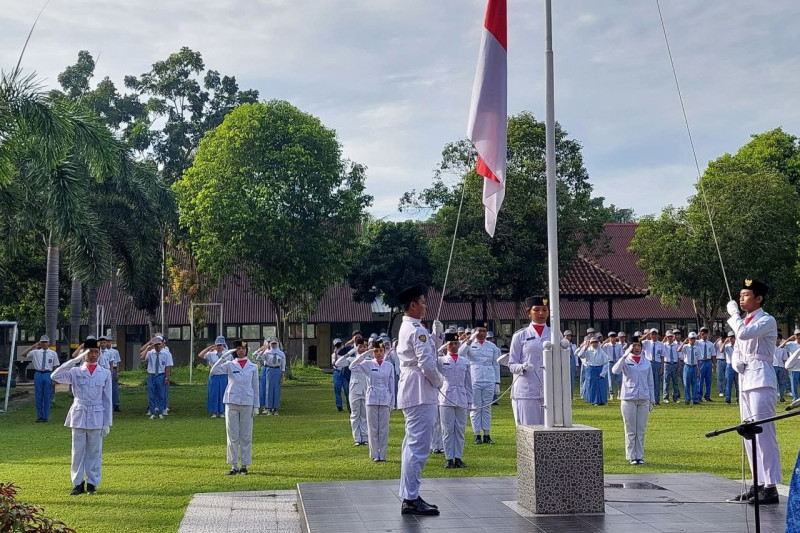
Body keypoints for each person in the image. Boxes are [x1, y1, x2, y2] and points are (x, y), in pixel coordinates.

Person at [726, 278, 781, 505]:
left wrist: (733, 316)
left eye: (746, 295)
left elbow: (745, 334)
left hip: (761, 379)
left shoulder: (766, 320)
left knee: (764, 434)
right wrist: (735, 362)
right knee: (748, 434)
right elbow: (738, 348)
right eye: (740, 295)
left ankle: (771, 486)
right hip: (746, 379)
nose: (741, 299)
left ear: (759, 299)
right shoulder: (744, 321)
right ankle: (757, 482)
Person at [395, 284, 443, 516]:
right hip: (420, 390)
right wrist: (439, 382)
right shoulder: (416, 330)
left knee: (411, 445)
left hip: (413, 388)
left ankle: (409, 494)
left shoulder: (411, 327)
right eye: (422, 302)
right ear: (412, 305)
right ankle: (411, 498)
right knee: (418, 447)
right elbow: (426, 364)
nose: (425, 305)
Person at [51, 337, 112, 495]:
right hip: (79, 413)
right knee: (77, 451)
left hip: (97, 414)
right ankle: (78, 483)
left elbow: (107, 399)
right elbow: (55, 376)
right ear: (84, 353)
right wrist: (75, 360)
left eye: (96, 352)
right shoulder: (76, 371)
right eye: (90, 351)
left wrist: (107, 422)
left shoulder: (104, 373)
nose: (93, 355)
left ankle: (92, 483)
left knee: (94, 451)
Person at [210, 340, 259, 475]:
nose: (241, 351)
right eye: (238, 348)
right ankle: (233, 465)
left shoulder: (253, 366)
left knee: (246, 435)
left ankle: (244, 465)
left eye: (243, 348)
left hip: (247, 402)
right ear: (234, 351)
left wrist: (256, 405)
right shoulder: (230, 364)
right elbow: (214, 371)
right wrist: (224, 357)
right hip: (231, 402)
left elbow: (255, 386)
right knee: (232, 435)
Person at [350, 340, 395, 462]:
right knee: (373, 428)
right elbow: (352, 366)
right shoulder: (368, 364)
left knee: (384, 429)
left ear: (384, 351)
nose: (379, 353)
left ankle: (383, 454)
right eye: (376, 351)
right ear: (372, 352)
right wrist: (365, 354)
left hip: (385, 398)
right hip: (372, 399)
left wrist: (392, 402)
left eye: (381, 351)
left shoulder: (389, 366)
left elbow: (392, 385)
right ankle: (375, 454)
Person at [611, 335, 654, 465]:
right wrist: (624, 355)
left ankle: (639, 456)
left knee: (641, 429)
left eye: (639, 346)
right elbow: (615, 371)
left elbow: (650, 382)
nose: (636, 348)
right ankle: (631, 456)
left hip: (643, 399)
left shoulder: (646, 362)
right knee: (630, 429)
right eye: (634, 346)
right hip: (628, 398)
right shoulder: (626, 360)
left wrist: (652, 400)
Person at [508, 296, 550, 424]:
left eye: (544, 309)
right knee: (529, 430)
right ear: (528, 313)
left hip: (549, 390)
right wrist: (522, 367)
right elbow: (511, 364)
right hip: (527, 390)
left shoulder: (555, 334)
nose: (541, 313)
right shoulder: (520, 335)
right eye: (536, 310)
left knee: (549, 432)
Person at [433, 332, 471, 468]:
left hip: (461, 396)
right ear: (446, 345)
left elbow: (468, 383)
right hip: (446, 397)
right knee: (447, 429)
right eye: (451, 344)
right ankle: (449, 458)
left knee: (460, 429)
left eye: (456, 343)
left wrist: (470, 401)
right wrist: (442, 347)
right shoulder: (441, 360)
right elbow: (431, 359)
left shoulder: (465, 361)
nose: (454, 346)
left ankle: (458, 457)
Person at [461, 324, 500, 445]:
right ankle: (477, 434)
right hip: (474, 378)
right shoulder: (469, 345)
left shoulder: (492, 346)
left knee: (487, 407)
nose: (482, 333)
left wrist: (497, 382)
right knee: (476, 407)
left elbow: (496, 364)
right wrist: (470, 339)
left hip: (489, 378)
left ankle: (487, 434)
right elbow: (461, 354)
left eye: (484, 331)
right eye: (479, 331)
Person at [335, 338, 370, 445]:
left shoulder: (369, 360)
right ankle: (357, 439)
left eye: (364, 346)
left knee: (364, 415)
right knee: (355, 414)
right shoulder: (352, 360)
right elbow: (338, 363)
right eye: (360, 346)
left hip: (366, 388)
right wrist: (352, 351)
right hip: (354, 389)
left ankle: (365, 438)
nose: (362, 349)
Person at [20, 335, 60, 422]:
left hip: (48, 374)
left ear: (49, 343)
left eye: (46, 342)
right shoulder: (35, 352)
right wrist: (33, 346)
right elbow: (23, 354)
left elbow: (56, 367)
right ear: (40, 343)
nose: (44, 344)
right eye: (42, 342)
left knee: (47, 396)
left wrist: (54, 379)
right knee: (38, 396)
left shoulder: (53, 353)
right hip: (38, 374)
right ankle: (39, 416)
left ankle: (45, 417)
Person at [139, 336, 172, 419]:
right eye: (156, 345)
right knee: (151, 394)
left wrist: (166, 377)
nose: (157, 346)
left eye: (159, 344)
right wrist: (148, 348)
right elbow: (142, 357)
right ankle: (152, 412)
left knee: (161, 394)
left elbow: (168, 366)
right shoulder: (150, 353)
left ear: (161, 345)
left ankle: (161, 411)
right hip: (152, 375)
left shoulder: (166, 353)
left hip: (161, 375)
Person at [198, 336, 228, 418]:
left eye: (221, 345)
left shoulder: (227, 354)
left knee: (222, 393)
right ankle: (214, 412)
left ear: (223, 345)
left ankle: (222, 411)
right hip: (214, 376)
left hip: (223, 376)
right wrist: (209, 348)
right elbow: (200, 355)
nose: (219, 347)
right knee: (213, 394)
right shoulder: (211, 354)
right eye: (218, 345)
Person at [256, 338, 286, 415]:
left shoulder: (281, 354)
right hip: (269, 370)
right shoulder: (267, 353)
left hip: (277, 370)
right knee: (268, 389)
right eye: (272, 344)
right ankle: (269, 408)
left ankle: (275, 408)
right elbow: (258, 358)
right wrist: (262, 351)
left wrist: (282, 375)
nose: (273, 345)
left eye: (275, 344)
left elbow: (283, 365)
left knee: (276, 389)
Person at [577, 336, 608, 406]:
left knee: (601, 385)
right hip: (591, 369)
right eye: (593, 343)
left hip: (600, 369)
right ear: (590, 343)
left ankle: (603, 400)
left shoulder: (601, 351)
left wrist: (603, 373)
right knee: (592, 385)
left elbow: (606, 362)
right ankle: (595, 401)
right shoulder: (588, 350)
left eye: (596, 342)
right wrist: (584, 347)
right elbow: (580, 355)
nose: (595, 344)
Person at [642, 329, 664, 406]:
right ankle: (648, 399)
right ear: (650, 335)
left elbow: (662, 356)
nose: (654, 336)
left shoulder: (661, 344)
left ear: (657, 335)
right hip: (649, 362)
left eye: (655, 334)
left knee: (656, 382)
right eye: (652, 334)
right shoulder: (646, 343)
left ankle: (657, 400)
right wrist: (646, 335)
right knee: (648, 382)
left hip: (657, 363)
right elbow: (637, 341)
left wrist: (662, 367)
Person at [99, 337, 121, 412]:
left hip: (107, 371)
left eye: (104, 342)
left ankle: (113, 405)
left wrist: (111, 374)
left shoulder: (111, 352)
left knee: (111, 389)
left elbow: (112, 363)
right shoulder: (98, 352)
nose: (103, 344)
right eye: (101, 343)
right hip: (100, 371)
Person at [678, 332, 701, 405]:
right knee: (686, 384)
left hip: (694, 366)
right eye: (691, 339)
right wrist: (684, 342)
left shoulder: (697, 348)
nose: (693, 340)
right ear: (689, 339)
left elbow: (698, 359)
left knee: (695, 383)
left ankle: (695, 399)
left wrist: (699, 369)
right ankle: (687, 399)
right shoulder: (685, 347)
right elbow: (678, 350)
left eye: (694, 339)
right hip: (687, 366)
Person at [661, 330, 681, 404]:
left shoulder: (676, 345)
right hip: (667, 364)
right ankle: (665, 397)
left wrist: (679, 366)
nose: (670, 338)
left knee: (675, 382)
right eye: (668, 336)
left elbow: (679, 357)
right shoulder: (664, 345)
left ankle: (675, 397)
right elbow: (660, 345)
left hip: (674, 364)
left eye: (671, 336)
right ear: (666, 337)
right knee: (666, 381)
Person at [602, 332, 623, 401]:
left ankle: (620, 393)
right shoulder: (606, 346)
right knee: (610, 379)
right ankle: (611, 394)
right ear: (609, 338)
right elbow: (600, 348)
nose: (613, 339)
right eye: (611, 337)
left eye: (614, 337)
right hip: (610, 363)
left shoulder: (619, 345)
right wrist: (605, 341)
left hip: (617, 362)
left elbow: (621, 355)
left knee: (620, 379)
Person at [696, 327, 715, 402]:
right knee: (700, 379)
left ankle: (707, 396)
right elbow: (690, 340)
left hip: (708, 362)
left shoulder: (710, 344)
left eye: (706, 333)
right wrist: (698, 335)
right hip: (701, 362)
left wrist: (714, 364)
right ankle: (699, 395)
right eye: (703, 333)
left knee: (708, 380)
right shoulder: (697, 342)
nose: (704, 335)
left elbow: (713, 355)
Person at [722, 332, 739, 404]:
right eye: (730, 338)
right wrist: (725, 342)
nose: (732, 339)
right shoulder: (727, 346)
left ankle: (738, 398)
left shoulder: (738, 346)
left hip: (737, 365)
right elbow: (721, 350)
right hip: (729, 365)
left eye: (733, 337)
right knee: (728, 383)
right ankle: (728, 399)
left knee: (738, 383)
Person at [331, 338, 347, 412]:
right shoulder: (333, 355)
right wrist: (337, 354)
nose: (338, 347)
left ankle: (349, 405)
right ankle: (339, 406)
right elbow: (335, 365)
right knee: (337, 389)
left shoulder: (345, 354)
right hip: (337, 372)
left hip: (344, 371)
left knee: (347, 390)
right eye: (337, 346)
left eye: (339, 345)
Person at [773, 335, 789, 403]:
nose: (777, 340)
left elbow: (785, 359)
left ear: (780, 340)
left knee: (781, 383)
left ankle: (782, 397)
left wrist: (786, 369)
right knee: (774, 383)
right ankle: (775, 397)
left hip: (781, 366)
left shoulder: (783, 349)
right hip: (773, 366)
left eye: (778, 339)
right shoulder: (772, 348)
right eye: (776, 339)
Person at [563, 330, 579, 397]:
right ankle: (565, 393)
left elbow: (576, 355)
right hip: (565, 361)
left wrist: (576, 364)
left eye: (569, 336)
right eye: (567, 336)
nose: (568, 337)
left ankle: (571, 394)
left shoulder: (573, 345)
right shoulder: (562, 345)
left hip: (572, 361)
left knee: (572, 378)